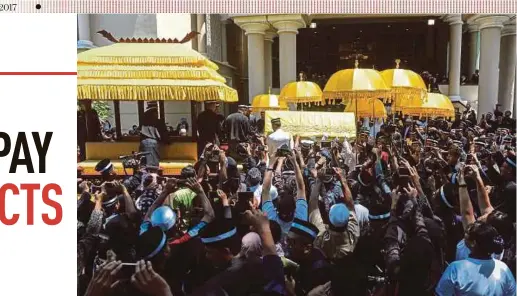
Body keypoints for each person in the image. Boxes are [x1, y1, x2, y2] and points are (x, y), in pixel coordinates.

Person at [436, 221, 516, 295]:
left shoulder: (455, 268)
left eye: (466, 234)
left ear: (473, 243)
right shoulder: (503, 268)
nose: (464, 237)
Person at [139, 102, 168, 167]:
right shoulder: (158, 122)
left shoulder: (144, 121)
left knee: (143, 164)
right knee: (152, 164)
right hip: (153, 143)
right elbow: (164, 135)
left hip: (143, 142)